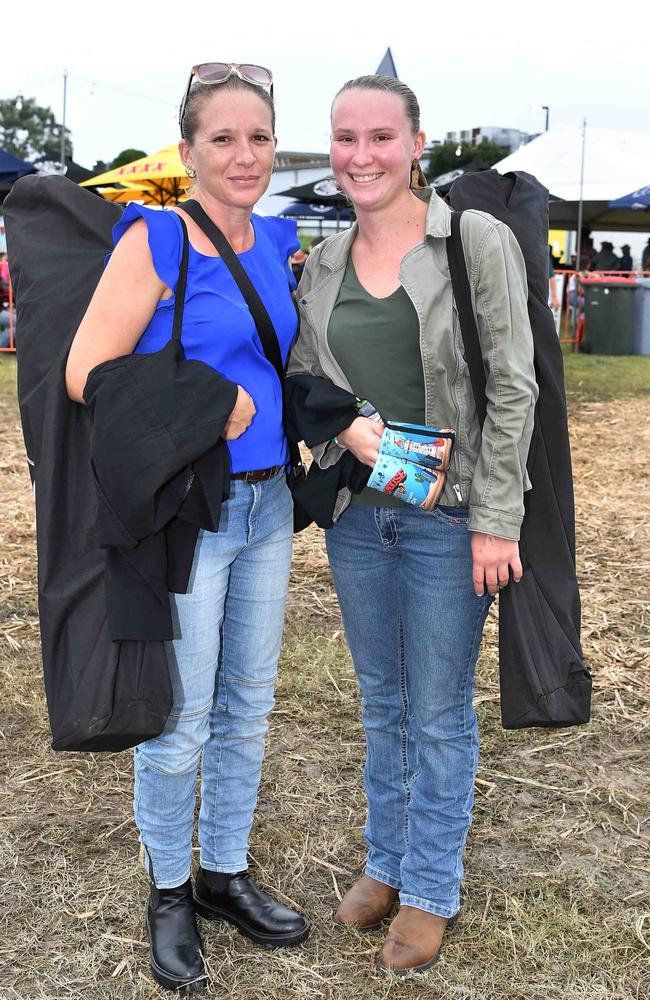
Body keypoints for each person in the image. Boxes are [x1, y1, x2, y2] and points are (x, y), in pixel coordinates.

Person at [66, 62, 309, 994]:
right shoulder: (158, 238)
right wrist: (208, 401)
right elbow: (87, 370)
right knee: (183, 717)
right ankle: (168, 890)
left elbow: (283, 361)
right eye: (223, 138)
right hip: (190, 513)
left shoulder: (281, 239)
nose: (244, 155)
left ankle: (223, 874)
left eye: (258, 138)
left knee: (249, 705)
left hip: (269, 506)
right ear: (189, 149)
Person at [288, 75, 537, 976]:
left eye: (381, 138)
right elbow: (310, 379)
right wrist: (346, 421)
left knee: (437, 712)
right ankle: (385, 861)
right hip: (363, 516)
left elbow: (514, 385)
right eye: (345, 138)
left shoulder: (473, 241)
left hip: (451, 519)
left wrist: (497, 519)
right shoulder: (322, 263)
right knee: (382, 703)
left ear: (416, 144)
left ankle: (431, 885)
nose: (362, 155)